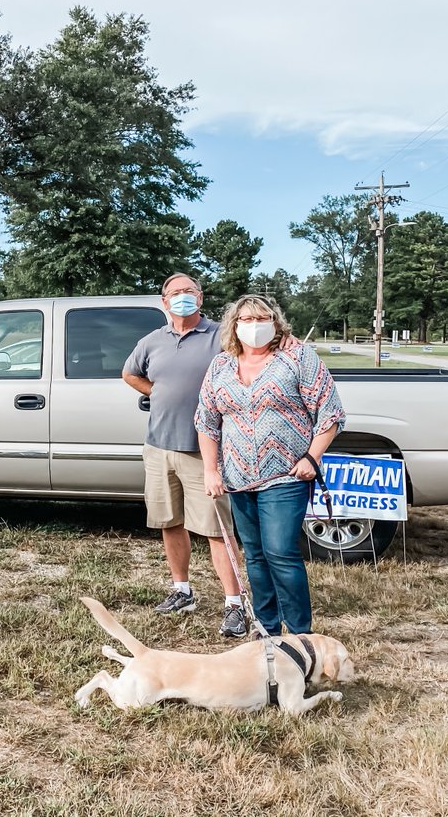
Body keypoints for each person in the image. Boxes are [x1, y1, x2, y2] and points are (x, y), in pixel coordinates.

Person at [195, 294, 345, 637]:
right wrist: (211, 470)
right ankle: (267, 629)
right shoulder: (221, 365)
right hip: (237, 480)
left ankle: (300, 634)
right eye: (246, 319)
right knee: (255, 555)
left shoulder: (297, 358)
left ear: (276, 323)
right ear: (234, 326)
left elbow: (331, 413)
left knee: (280, 552)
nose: (254, 325)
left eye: (262, 318)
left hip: (286, 476)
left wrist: (312, 457)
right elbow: (206, 421)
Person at [122, 273, 248, 638]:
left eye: (188, 291)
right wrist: (158, 391)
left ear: (201, 297)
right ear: (164, 302)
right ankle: (182, 591)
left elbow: (247, 371)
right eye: (174, 293)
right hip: (159, 447)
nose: (181, 297)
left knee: (216, 531)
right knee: (170, 523)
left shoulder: (220, 337)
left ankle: (234, 604)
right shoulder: (152, 341)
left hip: (203, 453)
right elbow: (129, 373)